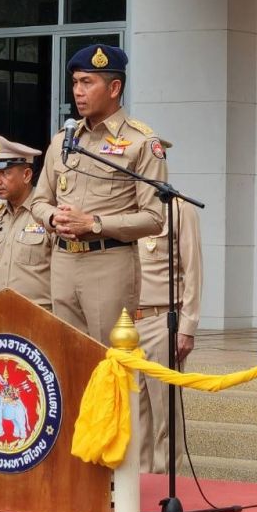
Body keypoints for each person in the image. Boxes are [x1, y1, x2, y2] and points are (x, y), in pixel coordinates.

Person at [31, 44, 167, 346]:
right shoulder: (63, 140)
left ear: (114, 87)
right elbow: (39, 201)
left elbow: (155, 218)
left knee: (109, 360)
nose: (77, 91)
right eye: (75, 82)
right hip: (64, 262)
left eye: (87, 82)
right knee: (67, 359)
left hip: (109, 262)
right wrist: (53, 217)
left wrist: (93, 223)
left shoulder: (141, 142)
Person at [137, 187, 203, 474]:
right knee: (132, 413)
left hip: (161, 319)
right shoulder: (120, 206)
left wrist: (187, 326)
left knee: (165, 414)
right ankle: (136, 487)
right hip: (125, 323)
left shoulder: (177, 208)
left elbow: (193, 270)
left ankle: (166, 483)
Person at [0, 135, 52, 310]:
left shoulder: (47, 214)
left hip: (37, 319)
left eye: (5, 173)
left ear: (26, 175)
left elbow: (63, 278)